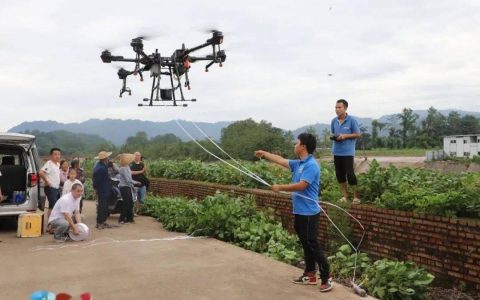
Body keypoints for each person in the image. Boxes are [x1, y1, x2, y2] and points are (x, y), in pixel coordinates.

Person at [254, 133, 332, 292]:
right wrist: (264, 153)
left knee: (312, 244)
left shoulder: (311, 165)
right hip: (300, 212)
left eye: (296, 143)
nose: (294, 145)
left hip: (310, 213)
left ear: (303, 146)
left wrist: (280, 187)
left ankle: (326, 277)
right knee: (305, 244)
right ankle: (310, 274)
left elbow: (302, 185)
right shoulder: (299, 164)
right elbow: (280, 160)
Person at [330, 99, 362, 204]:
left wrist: (345, 136)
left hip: (347, 152)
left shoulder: (351, 120)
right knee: (339, 174)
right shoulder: (334, 121)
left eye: (339, 107)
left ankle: (356, 196)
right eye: (336, 107)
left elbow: (358, 134)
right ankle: (345, 196)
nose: (337, 109)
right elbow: (333, 133)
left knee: (350, 173)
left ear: (345, 108)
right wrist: (334, 137)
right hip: (336, 151)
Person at [92, 151, 114, 229]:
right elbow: (96, 181)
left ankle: (103, 221)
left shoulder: (102, 165)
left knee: (105, 206)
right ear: (105, 158)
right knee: (102, 206)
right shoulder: (100, 168)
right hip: (102, 190)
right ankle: (99, 223)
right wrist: (96, 189)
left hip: (105, 189)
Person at [39, 148, 62, 221]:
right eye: (55, 154)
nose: (57, 156)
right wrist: (47, 181)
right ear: (51, 155)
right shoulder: (49, 163)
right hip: (50, 188)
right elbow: (41, 173)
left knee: (55, 206)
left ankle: (52, 224)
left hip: (57, 188)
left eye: (59, 154)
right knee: (52, 207)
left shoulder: (58, 164)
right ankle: (50, 225)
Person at [117, 153, 139, 224]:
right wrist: (135, 183)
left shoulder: (127, 167)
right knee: (126, 203)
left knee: (130, 202)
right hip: (124, 187)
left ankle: (129, 218)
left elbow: (129, 179)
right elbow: (128, 179)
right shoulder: (123, 168)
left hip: (127, 186)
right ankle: (121, 219)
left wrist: (133, 185)